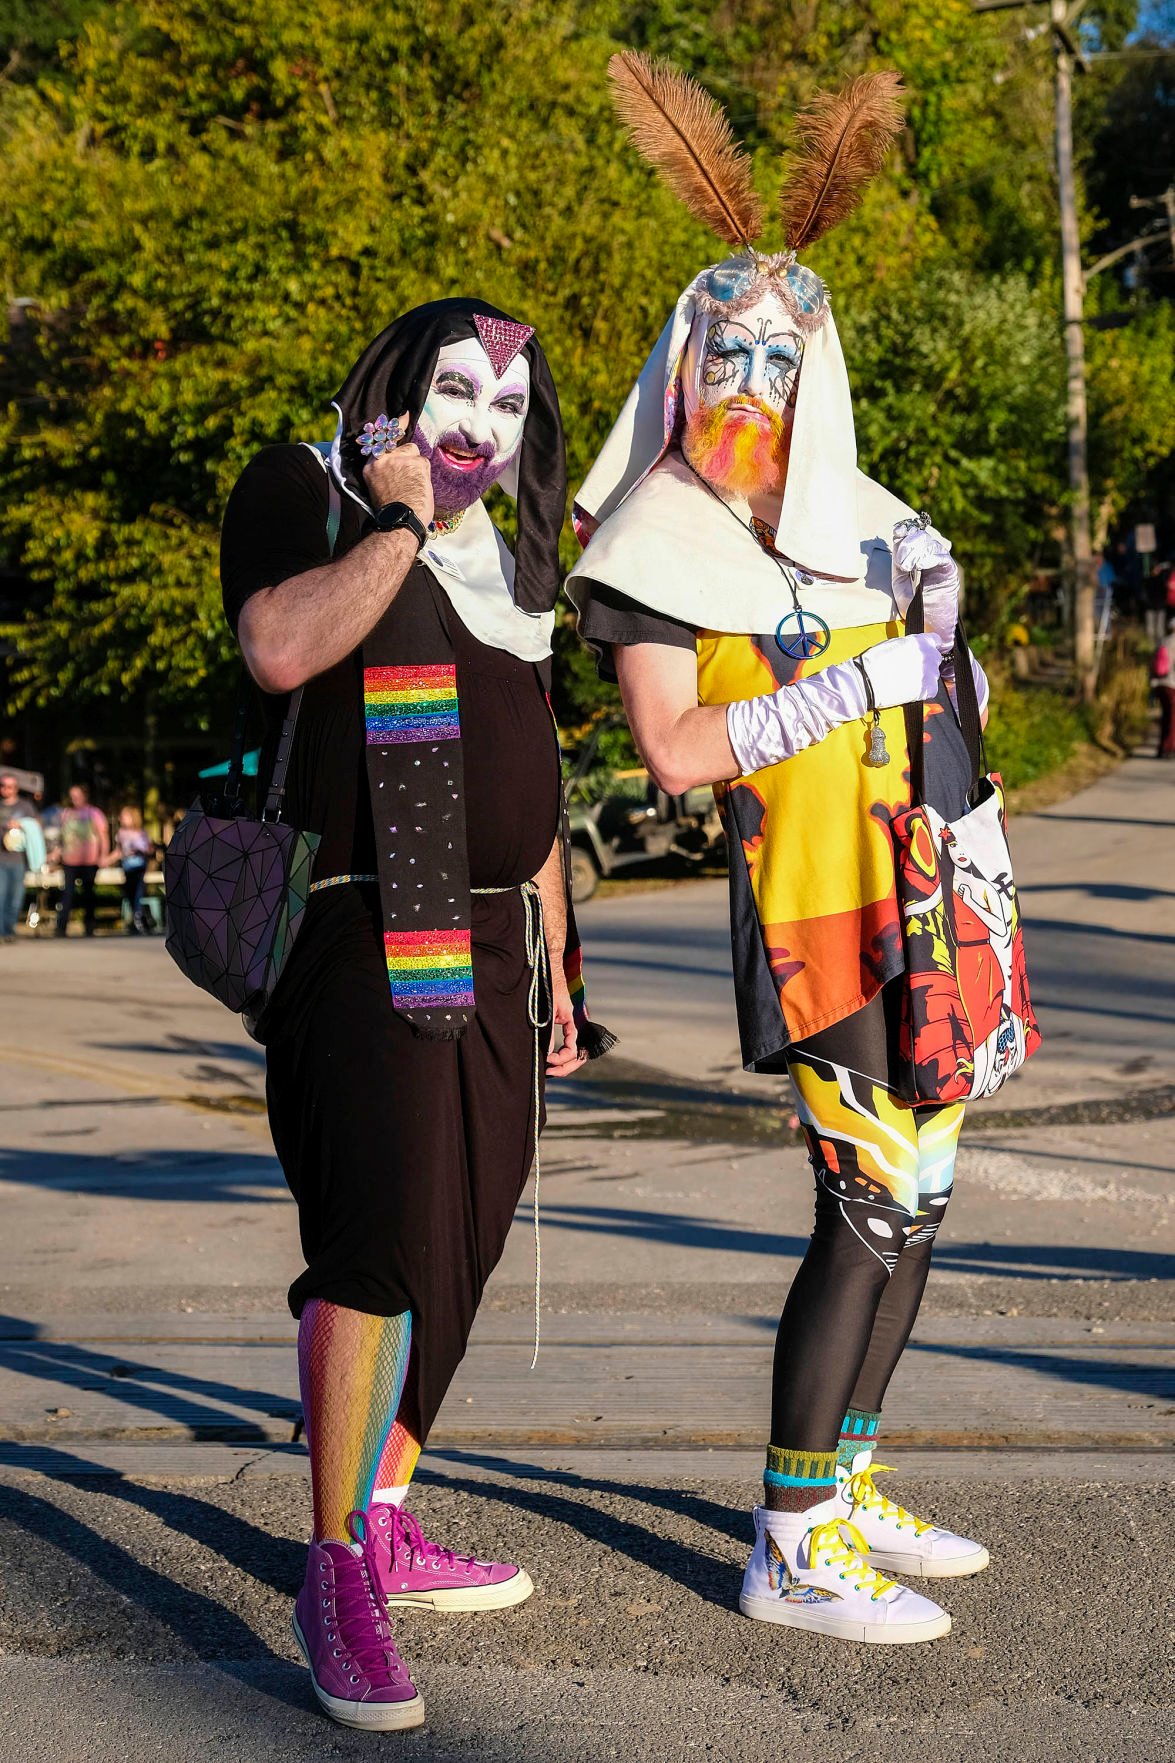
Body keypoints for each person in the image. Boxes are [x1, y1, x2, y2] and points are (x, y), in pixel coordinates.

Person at [569, 58, 994, 1647]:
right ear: (678, 363)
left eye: (779, 350)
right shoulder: (650, 548)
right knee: (865, 1202)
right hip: (809, 906)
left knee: (927, 1186)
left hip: (920, 883)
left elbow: (922, 695)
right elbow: (674, 752)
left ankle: (851, 1472)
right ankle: (790, 1532)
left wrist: (931, 623)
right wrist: (847, 673)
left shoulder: (854, 514)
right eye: (721, 347)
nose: (748, 375)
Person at [220, 298, 611, 1731]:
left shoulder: (513, 564)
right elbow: (275, 648)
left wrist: (565, 964)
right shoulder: (304, 488)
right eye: (453, 389)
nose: (477, 424)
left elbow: (537, 786)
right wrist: (390, 521)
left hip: (499, 939)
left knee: (461, 1233)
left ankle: (385, 1509)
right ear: (394, 389)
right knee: (379, 1234)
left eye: (504, 407)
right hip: (365, 914)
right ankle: (330, 1568)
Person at [53, 783, 109, 938]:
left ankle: (90, 926)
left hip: (89, 861)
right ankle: (61, 927)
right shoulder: (66, 813)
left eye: (77, 795)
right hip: (70, 860)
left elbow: (103, 836)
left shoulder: (94, 813)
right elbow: (61, 838)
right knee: (67, 894)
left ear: (84, 796)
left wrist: (103, 855)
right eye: (72, 795)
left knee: (88, 894)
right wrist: (56, 854)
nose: (74, 798)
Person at [0, 771, 40, 942]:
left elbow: (37, 824)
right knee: (0, 896)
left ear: (16, 788)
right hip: (1, 859)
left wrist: (22, 823)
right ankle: (1, 932)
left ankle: (9, 931)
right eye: (3, 786)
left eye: (10, 786)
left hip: (18, 860)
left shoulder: (25, 806)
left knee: (15, 898)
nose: (6, 789)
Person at [107, 806, 155, 932]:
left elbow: (149, 849)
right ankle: (138, 916)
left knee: (138, 893)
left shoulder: (141, 833)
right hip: (127, 868)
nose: (121, 819)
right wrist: (107, 860)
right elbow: (118, 851)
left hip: (139, 867)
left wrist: (143, 849)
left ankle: (139, 917)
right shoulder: (121, 834)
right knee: (129, 893)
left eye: (124, 816)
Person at [1153, 614, 1175, 759]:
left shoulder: (1162, 641)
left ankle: (1162, 747)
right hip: (1172, 683)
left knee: (1166, 716)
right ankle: (1169, 748)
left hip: (1159, 683)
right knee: (1173, 718)